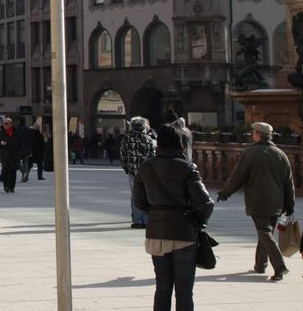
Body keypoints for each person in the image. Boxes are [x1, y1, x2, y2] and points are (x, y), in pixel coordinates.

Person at [132, 123, 213, 311]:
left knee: (162, 288)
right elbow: (206, 203)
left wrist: (155, 213)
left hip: (156, 234)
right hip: (183, 234)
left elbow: (138, 202)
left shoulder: (146, 167)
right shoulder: (187, 168)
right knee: (184, 292)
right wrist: (198, 221)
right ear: (181, 143)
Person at [217, 121, 295, 281]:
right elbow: (289, 183)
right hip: (276, 203)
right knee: (266, 233)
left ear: (258, 134)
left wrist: (225, 193)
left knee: (264, 232)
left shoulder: (251, 152)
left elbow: (238, 176)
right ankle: (260, 265)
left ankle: (280, 267)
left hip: (258, 201)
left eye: (253, 132)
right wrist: (289, 205)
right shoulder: (280, 154)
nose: (252, 135)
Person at [120, 117, 157, 228]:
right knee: (146, 194)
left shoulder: (127, 138)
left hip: (132, 171)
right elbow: (153, 156)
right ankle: (146, 220)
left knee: (135, 195)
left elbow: (122, 154)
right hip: (146, 172)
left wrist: (125, 166)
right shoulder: (149, 139)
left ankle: (137, 221)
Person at [0, 117, 23, 193]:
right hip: (4, 155)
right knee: (6, 170)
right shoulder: (0, 133)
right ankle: (6, 186)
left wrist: (20, 152)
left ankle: (12, 187)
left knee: (13, 171)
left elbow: (21, 143)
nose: (4, 125)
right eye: (4, 123)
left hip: (14, 155)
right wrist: (1, 143)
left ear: (11, 124)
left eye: (6, 123)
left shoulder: (16, 132)